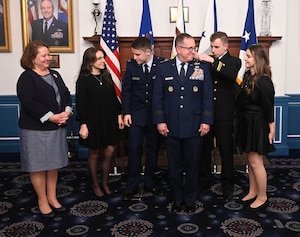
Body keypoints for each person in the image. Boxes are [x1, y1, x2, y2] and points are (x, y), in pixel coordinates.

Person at [153, 33, 214, 213]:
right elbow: (158, 98)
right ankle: (178, 200)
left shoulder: (202, 68)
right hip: (170, 127)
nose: (193, 52)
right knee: (174, 167)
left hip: (195, 126)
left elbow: (207, 97)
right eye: (190, 48)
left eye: (194, 48)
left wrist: (206, 121)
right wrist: (160, 121)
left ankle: (190, 200)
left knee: (193, 166)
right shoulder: (164, 69)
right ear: (178, 49)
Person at [17, 41, 72, 218]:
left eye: (48, 54)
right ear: (33, 58)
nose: (48, 58)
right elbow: (29, 103)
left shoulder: (55, 74)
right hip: (35, 130)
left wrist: (66, 112)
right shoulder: (26, 77)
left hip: (57, 127)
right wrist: (51, 117)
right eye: (44, 55)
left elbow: (65, 95)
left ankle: (52, 197)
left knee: (53, 164)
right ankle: (42, 200)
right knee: (38, 166)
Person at [197, 31, 241, 202]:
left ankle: (227, 184)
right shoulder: (207, 61)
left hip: (224, 114)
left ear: (225, 46)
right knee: (204, 150)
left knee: (225, 151)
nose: (213, 50)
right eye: (212, 46)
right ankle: (204, 180)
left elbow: (230, 75)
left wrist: (212, 61)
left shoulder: (234, 61)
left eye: (216, 47)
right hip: (207, 114)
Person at [75, 47, 124, 198]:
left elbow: (113, 99)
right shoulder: (83, 80)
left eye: (103, 58)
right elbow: (80, 104)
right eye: (99, 58)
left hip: (109, 119)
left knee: (110, 150)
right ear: (90, 62)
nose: (103, 61)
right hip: (93, 121)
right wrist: (83, 124)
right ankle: (95, 183)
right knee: (95, 152)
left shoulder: (106, 76)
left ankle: (104, 181)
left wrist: (119, 115)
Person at [122, 37, 166, 200]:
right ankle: (132, 185)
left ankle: (150, 183)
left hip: (155, 116)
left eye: (137, 54)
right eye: (133, 54)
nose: (135, 57)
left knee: (152, 150)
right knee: (133, 150)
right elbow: (126, 91)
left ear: (148, 52)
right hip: (136, 116)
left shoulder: (162, 64)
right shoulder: (131, 65)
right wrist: (126, 112)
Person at [235, 44, 275, 210]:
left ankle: (262, 196)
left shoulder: (264, 81)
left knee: (256, 161)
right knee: (249, 161)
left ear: (257, 59)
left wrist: (271, 130)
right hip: (246, 121)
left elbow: (268, 107)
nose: (245, 58)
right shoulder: (247, 75)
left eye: (249, 56)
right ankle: (252, 191)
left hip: (257, 123)